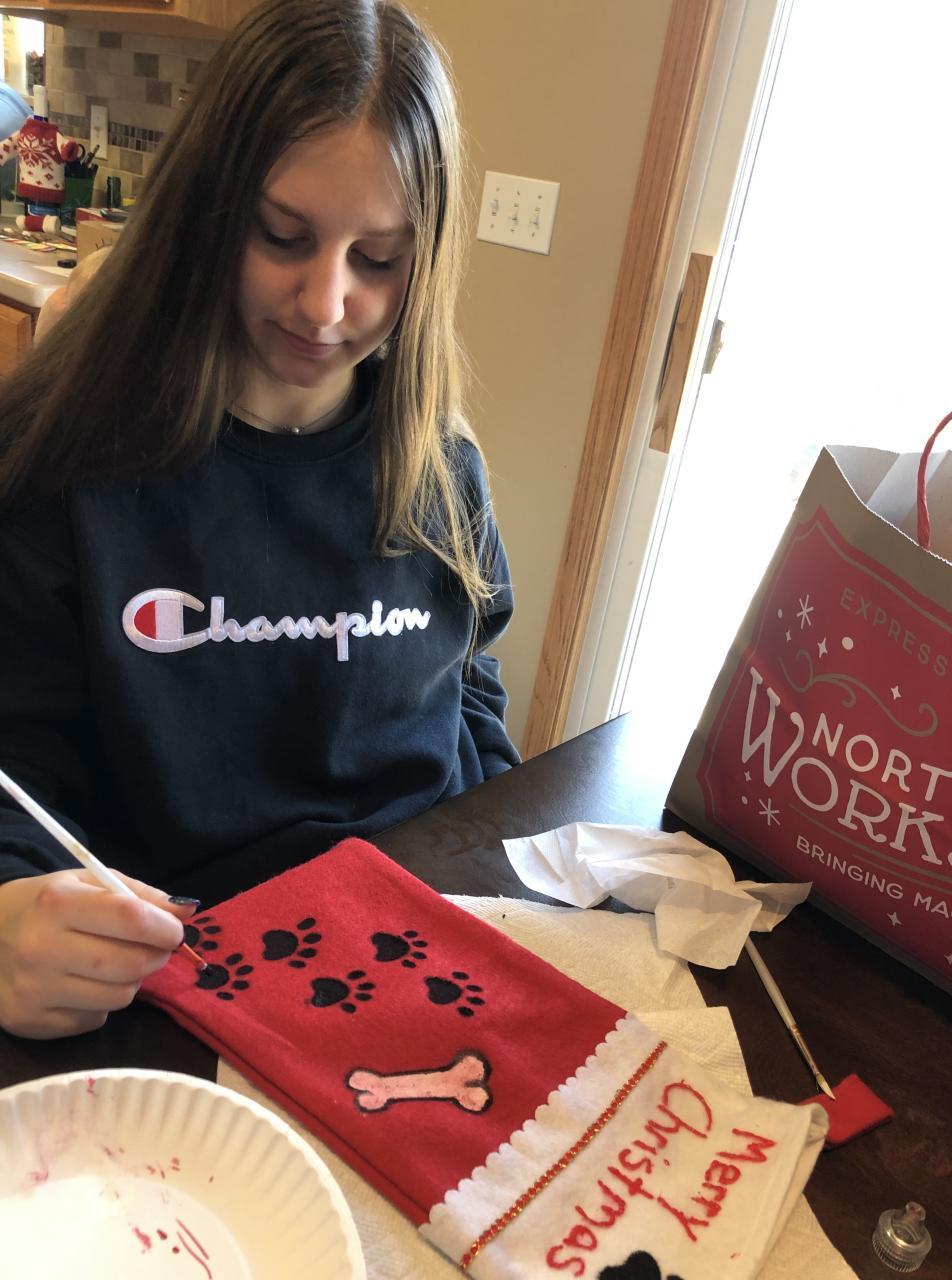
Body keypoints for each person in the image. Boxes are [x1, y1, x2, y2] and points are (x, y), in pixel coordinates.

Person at [0, 0, 519, 1040]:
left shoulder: (441, 469)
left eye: (379, 259)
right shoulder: (63, 466)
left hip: (425, 966)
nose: (326, 304)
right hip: (175, 1000)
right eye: (283, 237)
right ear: (204, 214)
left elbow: (472, 695)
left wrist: (505, 869)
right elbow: (17, 771)